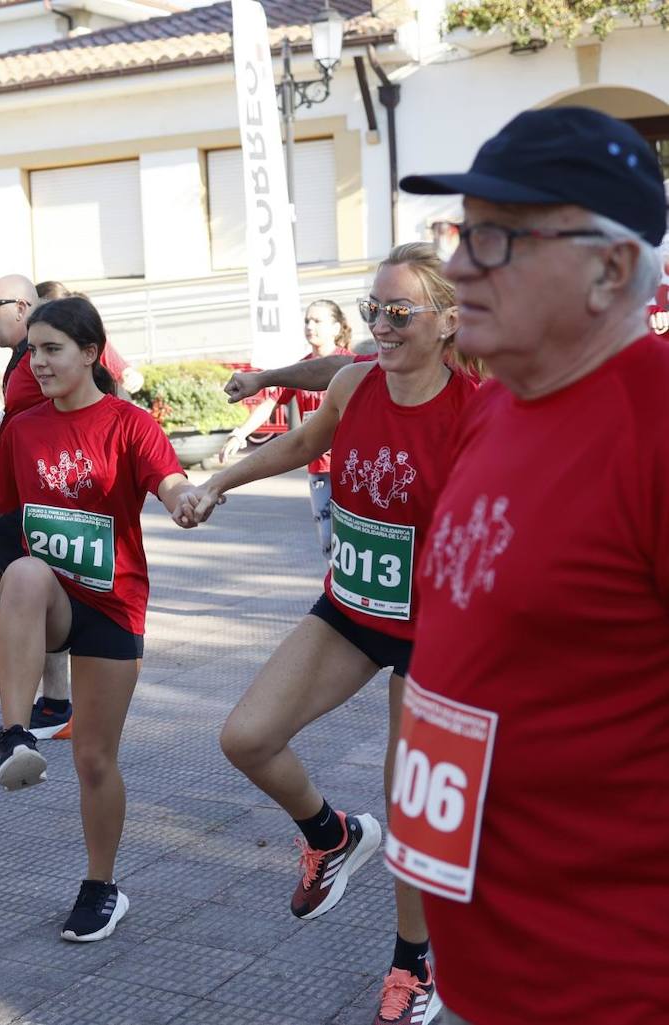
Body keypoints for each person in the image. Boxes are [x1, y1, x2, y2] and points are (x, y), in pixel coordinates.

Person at [386, 107, 669, 1025]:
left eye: (500, 236)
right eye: (463, 231)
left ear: (612, 268)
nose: (461, 264)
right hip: (487, 980)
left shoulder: (654, 430)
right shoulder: (499, 406)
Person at [186, 244, 474, 1025]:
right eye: (373, 307)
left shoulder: (477, 409)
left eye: (400, 311)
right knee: (246, 736)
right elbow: (301, 443)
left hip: (438, 633)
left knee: (411, 802)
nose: (380, 324)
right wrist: (217, 481)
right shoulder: (355, 383)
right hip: (350, 606)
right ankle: (333, 832)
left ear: (449, 321)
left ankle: (413, 963)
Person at [0, 296, 197, 940]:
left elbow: (169, 483)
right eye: (33, 350)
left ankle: (101, 886)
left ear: (90, 353)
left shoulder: (129, 424)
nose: (40, 362)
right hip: (51, 602)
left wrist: (186, 498)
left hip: (112, 605)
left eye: (52, 349)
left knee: (93, 760)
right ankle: (14, 734)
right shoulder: (25, 430)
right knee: (24, 571)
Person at [0, 275, 74, 741]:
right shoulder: (20, 359)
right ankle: (56, 703)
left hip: (45, 489)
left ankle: (57, 703)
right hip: (23, 481)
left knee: (40, 594)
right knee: (37, 595)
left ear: (21, 306)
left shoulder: (41, 358)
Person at [219, 300, 354, 561]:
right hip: (318, 468)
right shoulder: (301, 369)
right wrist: (240, 433)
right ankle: (334, 593)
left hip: (349, 466)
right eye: (307, 320)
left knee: (352, 538)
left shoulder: (352, 365)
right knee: (327, 540)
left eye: (317, 321)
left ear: (336, 327)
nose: (310, 326)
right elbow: (270, 402)